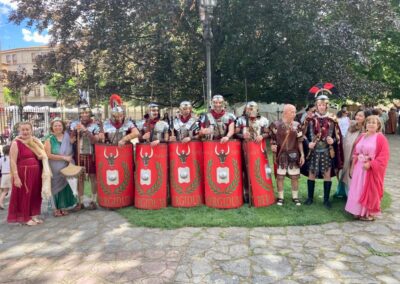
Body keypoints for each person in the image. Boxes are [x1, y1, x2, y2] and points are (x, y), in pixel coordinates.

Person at [302, 85, 343, 209]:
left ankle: (326, 200)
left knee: (326, 174)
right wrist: (307, 143)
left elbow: (339, 137)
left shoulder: (333, 119)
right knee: (312, 173)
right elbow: (302, 135)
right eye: (319, 105)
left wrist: (333, 140)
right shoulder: (309, 119)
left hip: (326, 151)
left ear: (327, 105)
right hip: (313, 151)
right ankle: (310, 198)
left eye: (324, 104)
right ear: (316, 105)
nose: (322, 107)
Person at [345, 115, 390, 221]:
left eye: (374, 122)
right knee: (357, 189)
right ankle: (356, 211)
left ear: (378, 125)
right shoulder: (362, 136)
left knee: (368, 190)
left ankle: (367, 213)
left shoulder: (380, 138)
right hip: (358, 168)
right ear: (366, 124)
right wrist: (352, 167)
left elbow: (384, 156)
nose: (371, 124)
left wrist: (371, 164)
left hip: (369, 170)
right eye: (369, 122)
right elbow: (356, 153)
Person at [7, 122, 51, 225]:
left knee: (35, 194)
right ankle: (25, 218)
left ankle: (33, 215)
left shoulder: (35, 141)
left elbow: (42, 154)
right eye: (23, 130)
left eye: (27, 129)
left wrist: (41, 156)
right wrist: (16, 177)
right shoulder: (16, 143)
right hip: (23, 173)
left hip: (36, 172)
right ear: (19, 131)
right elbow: (12, 161)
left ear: (31, 130)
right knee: (25, 194)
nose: (25, 132)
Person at [269, 104, 305, 206]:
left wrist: (302, 154)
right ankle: (280, 198)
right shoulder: (275, 125)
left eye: (294, 112)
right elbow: (272, 139)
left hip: (294, 154)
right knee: (280, 177)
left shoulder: (297, 125)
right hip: (281, 155)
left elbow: (300, 141)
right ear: (285, 112)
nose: (294, 114)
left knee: (294, 177)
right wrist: (273, 146)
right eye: (292, 112)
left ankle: (295, 197)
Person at [235, 101, 269, 202]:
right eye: (249, 108)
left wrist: (262, 136)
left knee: (258, 169)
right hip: (244, 148)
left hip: (258, 148)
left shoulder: (264, 120)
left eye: (253, 108)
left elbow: (268, 133)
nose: (251, 110)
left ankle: (258, 192)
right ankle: (246, 193)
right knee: (245, 170)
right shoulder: (241, 120)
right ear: (245, 110)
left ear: (257, 109)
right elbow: (236, 134)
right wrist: (242, 135)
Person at [70, 101, 101, 210]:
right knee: (80, 179)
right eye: (82, 113)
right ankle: (80, 202)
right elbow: (71, 140)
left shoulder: (95, 125)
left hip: (91, 155)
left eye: (86, 113)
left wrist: (85, 130)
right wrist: (75, 132)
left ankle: (93, 201)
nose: (84, 115)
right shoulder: (74, 124)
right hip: (79, 155)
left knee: (93, 178)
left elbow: (95, 140)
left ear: (90, 113)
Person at [44, 118, 77, 217]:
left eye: (59, 125)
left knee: (65, 186)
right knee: (55, 187)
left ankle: (63, 206)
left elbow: (73, 148)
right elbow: (48, 155)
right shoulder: (49, 139)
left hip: (67, 165)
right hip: (54, 166)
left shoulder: (68, 137)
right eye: (55, 126)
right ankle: (56, 208)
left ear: (63, 127)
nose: (57, 127)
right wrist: (63, 157)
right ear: (52, 128)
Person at [335, 109, 370, 198]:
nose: (357, 117)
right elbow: (346, 139)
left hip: (356, 156)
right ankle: (342, 193)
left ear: (366, 118)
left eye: (361, 116)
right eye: (357, 115)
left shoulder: (365, 130)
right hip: (346, 153)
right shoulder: (352, 126)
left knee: (351, 175)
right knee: (343, 172)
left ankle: (352, 196)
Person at [0, 145, 11, 210]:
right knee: (12, 190)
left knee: (4, 191)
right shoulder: (11, 158)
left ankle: (0, 202)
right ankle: (13, 204)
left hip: (4, 176)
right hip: (10, 175)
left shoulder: (1, 158)